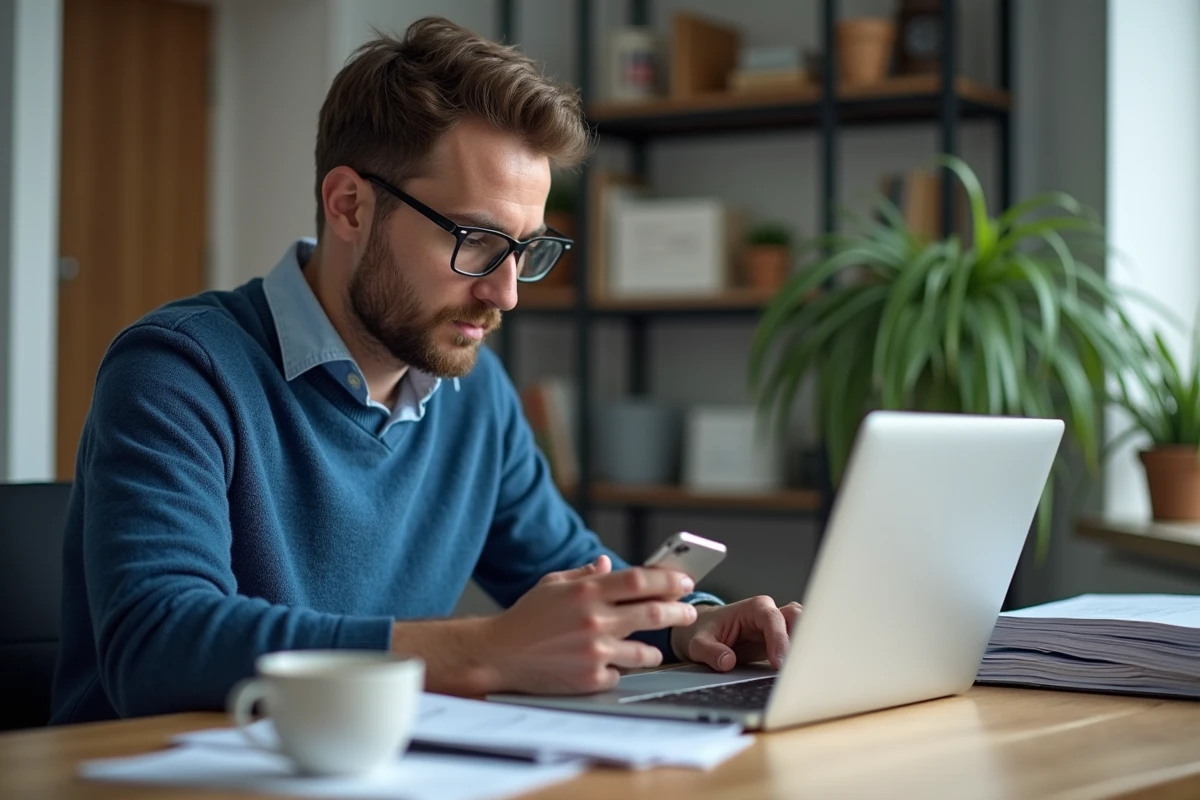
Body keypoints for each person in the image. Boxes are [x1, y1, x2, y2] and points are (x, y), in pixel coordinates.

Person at [50, 17, 802, 724]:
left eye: (526, 250)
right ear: (349, 206)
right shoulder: (179, 369)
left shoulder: (475, 395)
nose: (506, 292)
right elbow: (155, 644)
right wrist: (484, 651)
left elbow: (578, 584)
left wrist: (696, 629)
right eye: (476, 240)